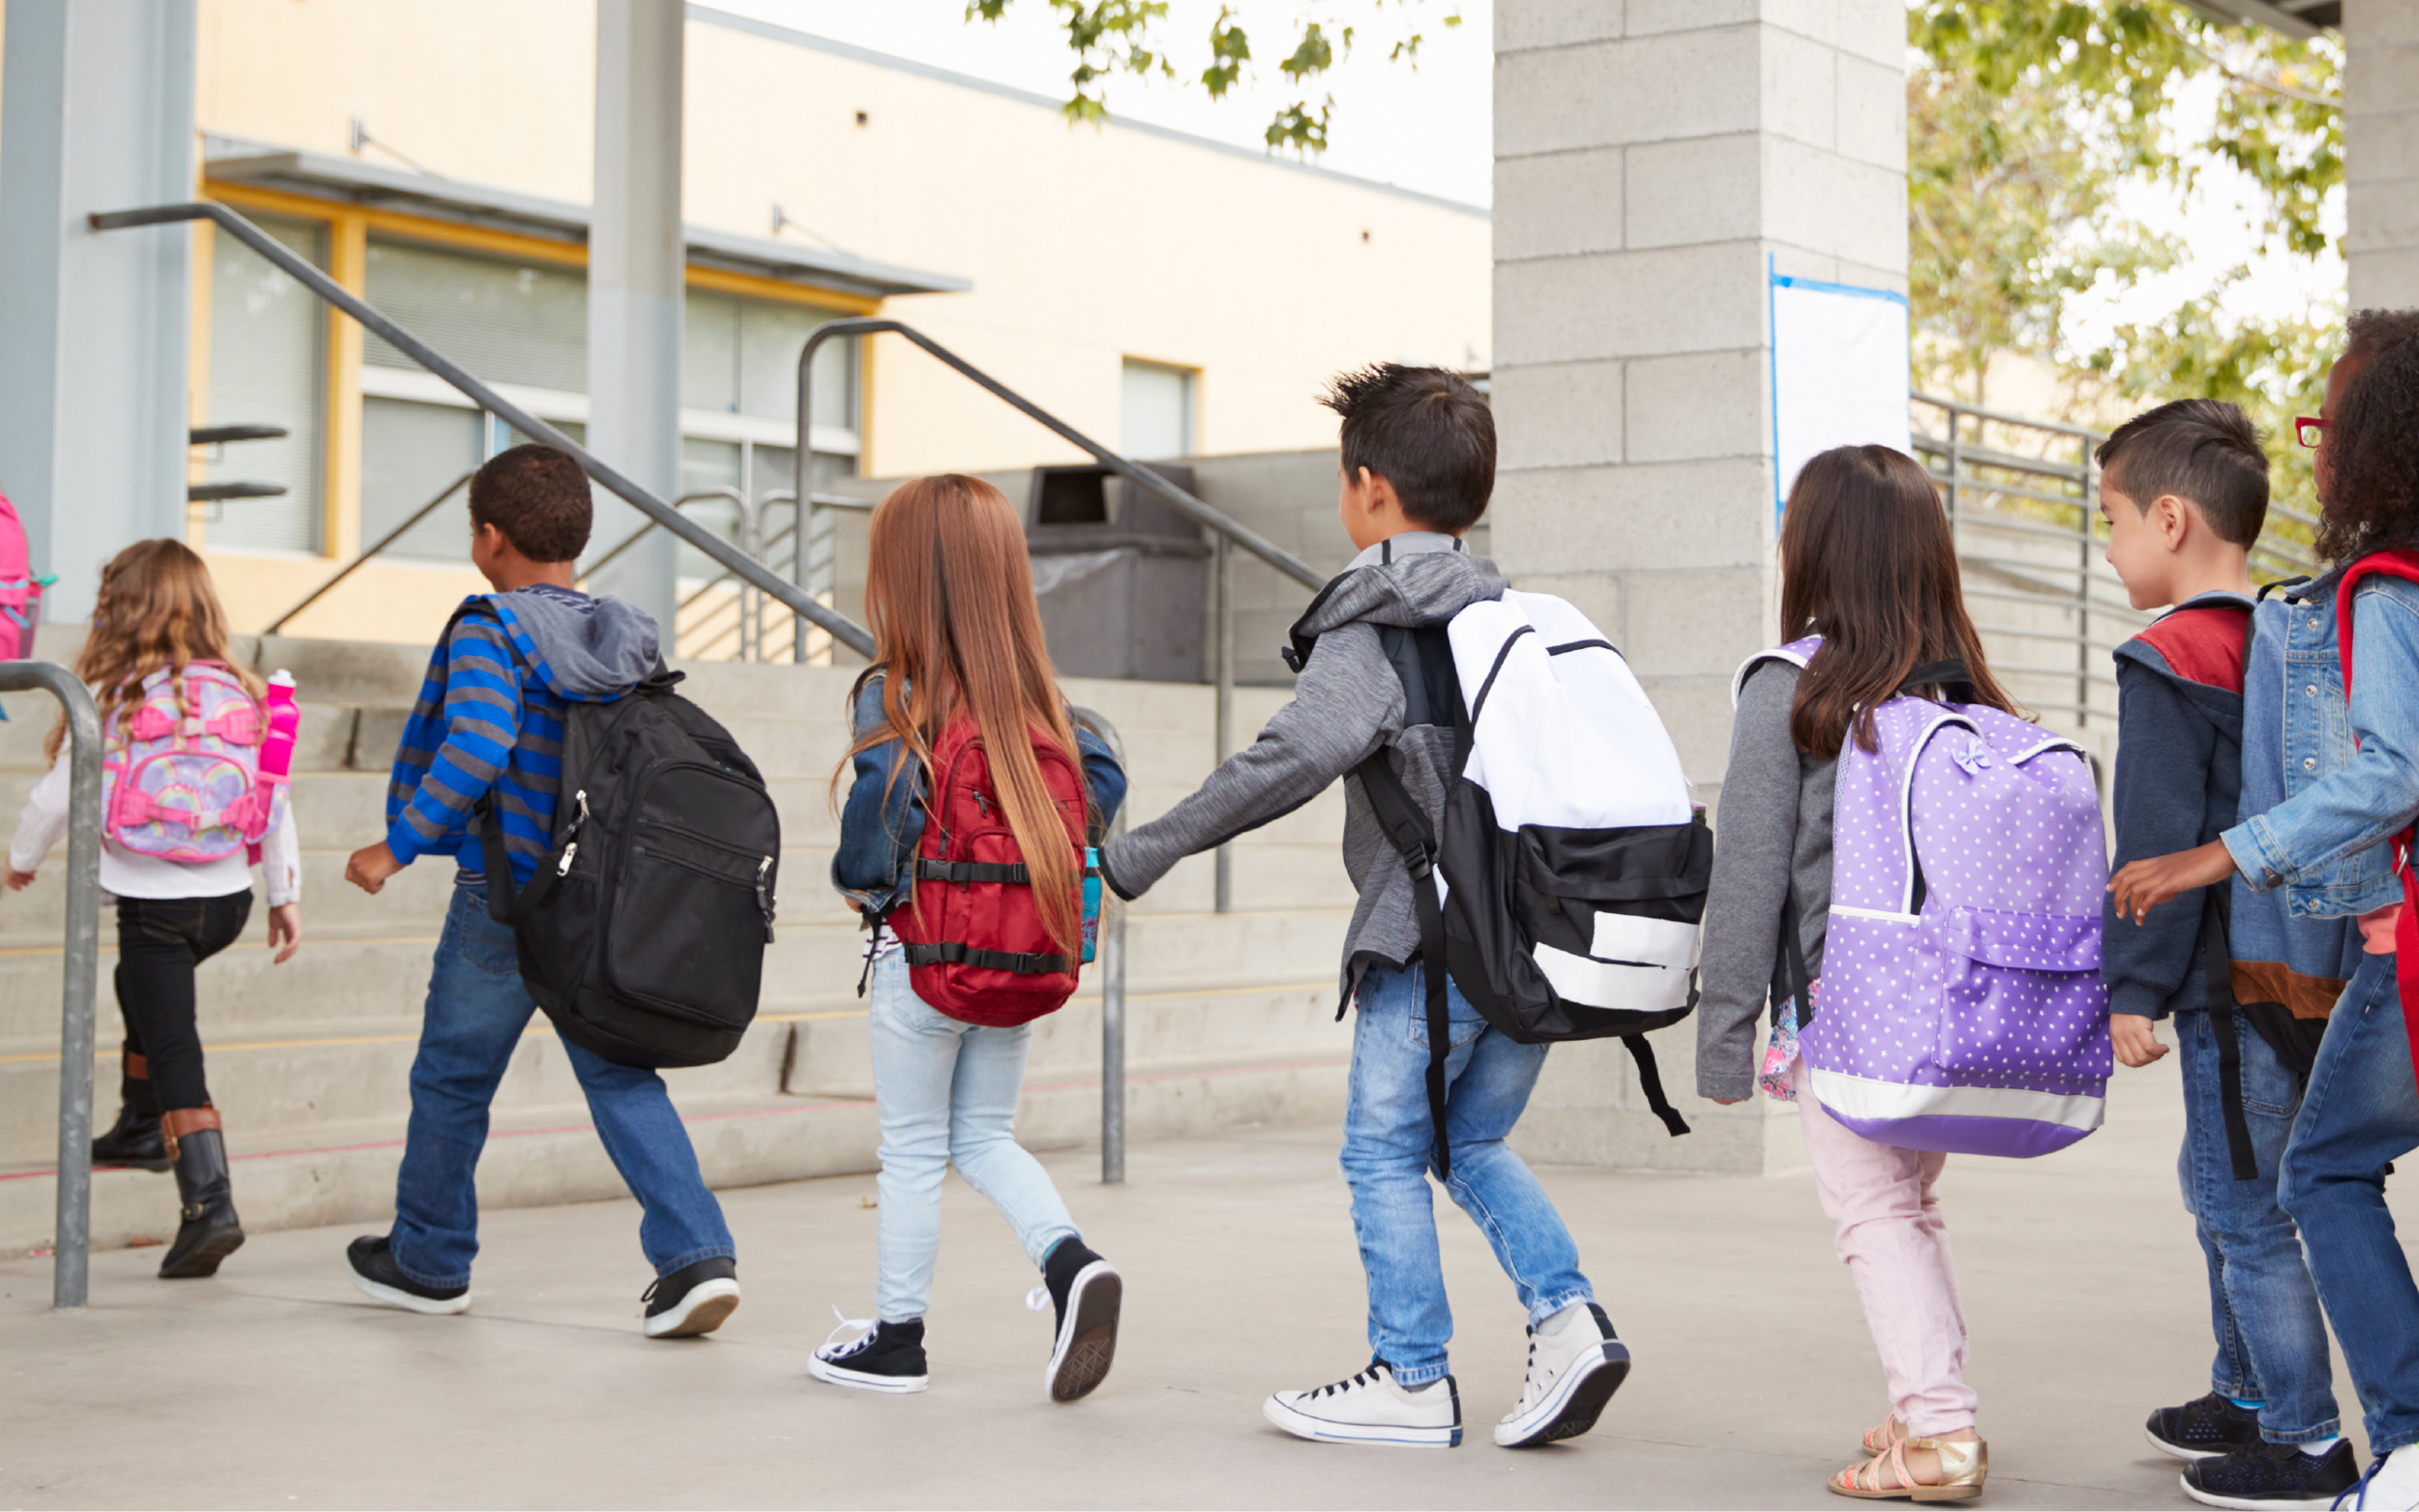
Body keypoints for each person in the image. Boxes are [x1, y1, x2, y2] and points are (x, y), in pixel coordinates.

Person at [1097, 365, 1628, 1452]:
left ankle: (1411, 1374)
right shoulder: (1514, 615)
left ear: (1369, 488)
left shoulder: (1380, 621)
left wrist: (1138, 851)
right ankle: (1568, 1319)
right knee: (1468, 1140)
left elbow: (1290, 755)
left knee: (1383, 1151)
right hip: (1540, 940)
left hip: (1432, 941)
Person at [2115, 311, 2419, 1510]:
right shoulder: (2287, 620)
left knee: (2297, 1182)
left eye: (2329, 426)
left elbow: (2388, 771)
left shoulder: (2370, 595)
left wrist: (2206, 869)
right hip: (2341, 956)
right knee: (2270, 1184)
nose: (2317, 452)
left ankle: (2353, 1436)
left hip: (2309, 960)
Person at [338, 444, 741, 1339]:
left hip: (505, 901)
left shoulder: (492, 629)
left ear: (490, 538)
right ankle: (696, 1256)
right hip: (599, 901)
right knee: (619, 1073)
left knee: (450, 1078)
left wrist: (395, 846)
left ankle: (430, 1260)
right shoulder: (624, 633)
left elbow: (478, 741)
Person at [1696, 446, 2014, 1501]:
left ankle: (1941, 1433)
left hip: (1846, 1004)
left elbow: (1746, 876)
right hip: (1950, 1001)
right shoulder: (1964, 689)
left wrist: (1724, 1035)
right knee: (1907, 1206)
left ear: (1814, 549)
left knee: (1870, 1211)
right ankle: (1923, 1402)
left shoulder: (1790, 686)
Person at [809, 473, 1128, 1401]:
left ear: (903, 580)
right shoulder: (1051, 710)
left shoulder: (894, 695)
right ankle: (1070, 1264)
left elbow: (875, 834)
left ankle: (897, 1338)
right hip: (1020, 954)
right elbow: (1101, 791)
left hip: (925, 962)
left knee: (911, 1149)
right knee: (985, 1135)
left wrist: (863, 887)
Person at [6, 539, 302, 1279]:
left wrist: (20, 857)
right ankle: (141, 1123)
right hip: (227, 897)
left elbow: (54, 797)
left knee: (175, 1046)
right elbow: (276, 801)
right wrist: (284, 893)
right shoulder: (247, 692)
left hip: (154, 906)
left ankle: (209, 1204)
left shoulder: (115, 696)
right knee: (135, 991)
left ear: (120, 610)